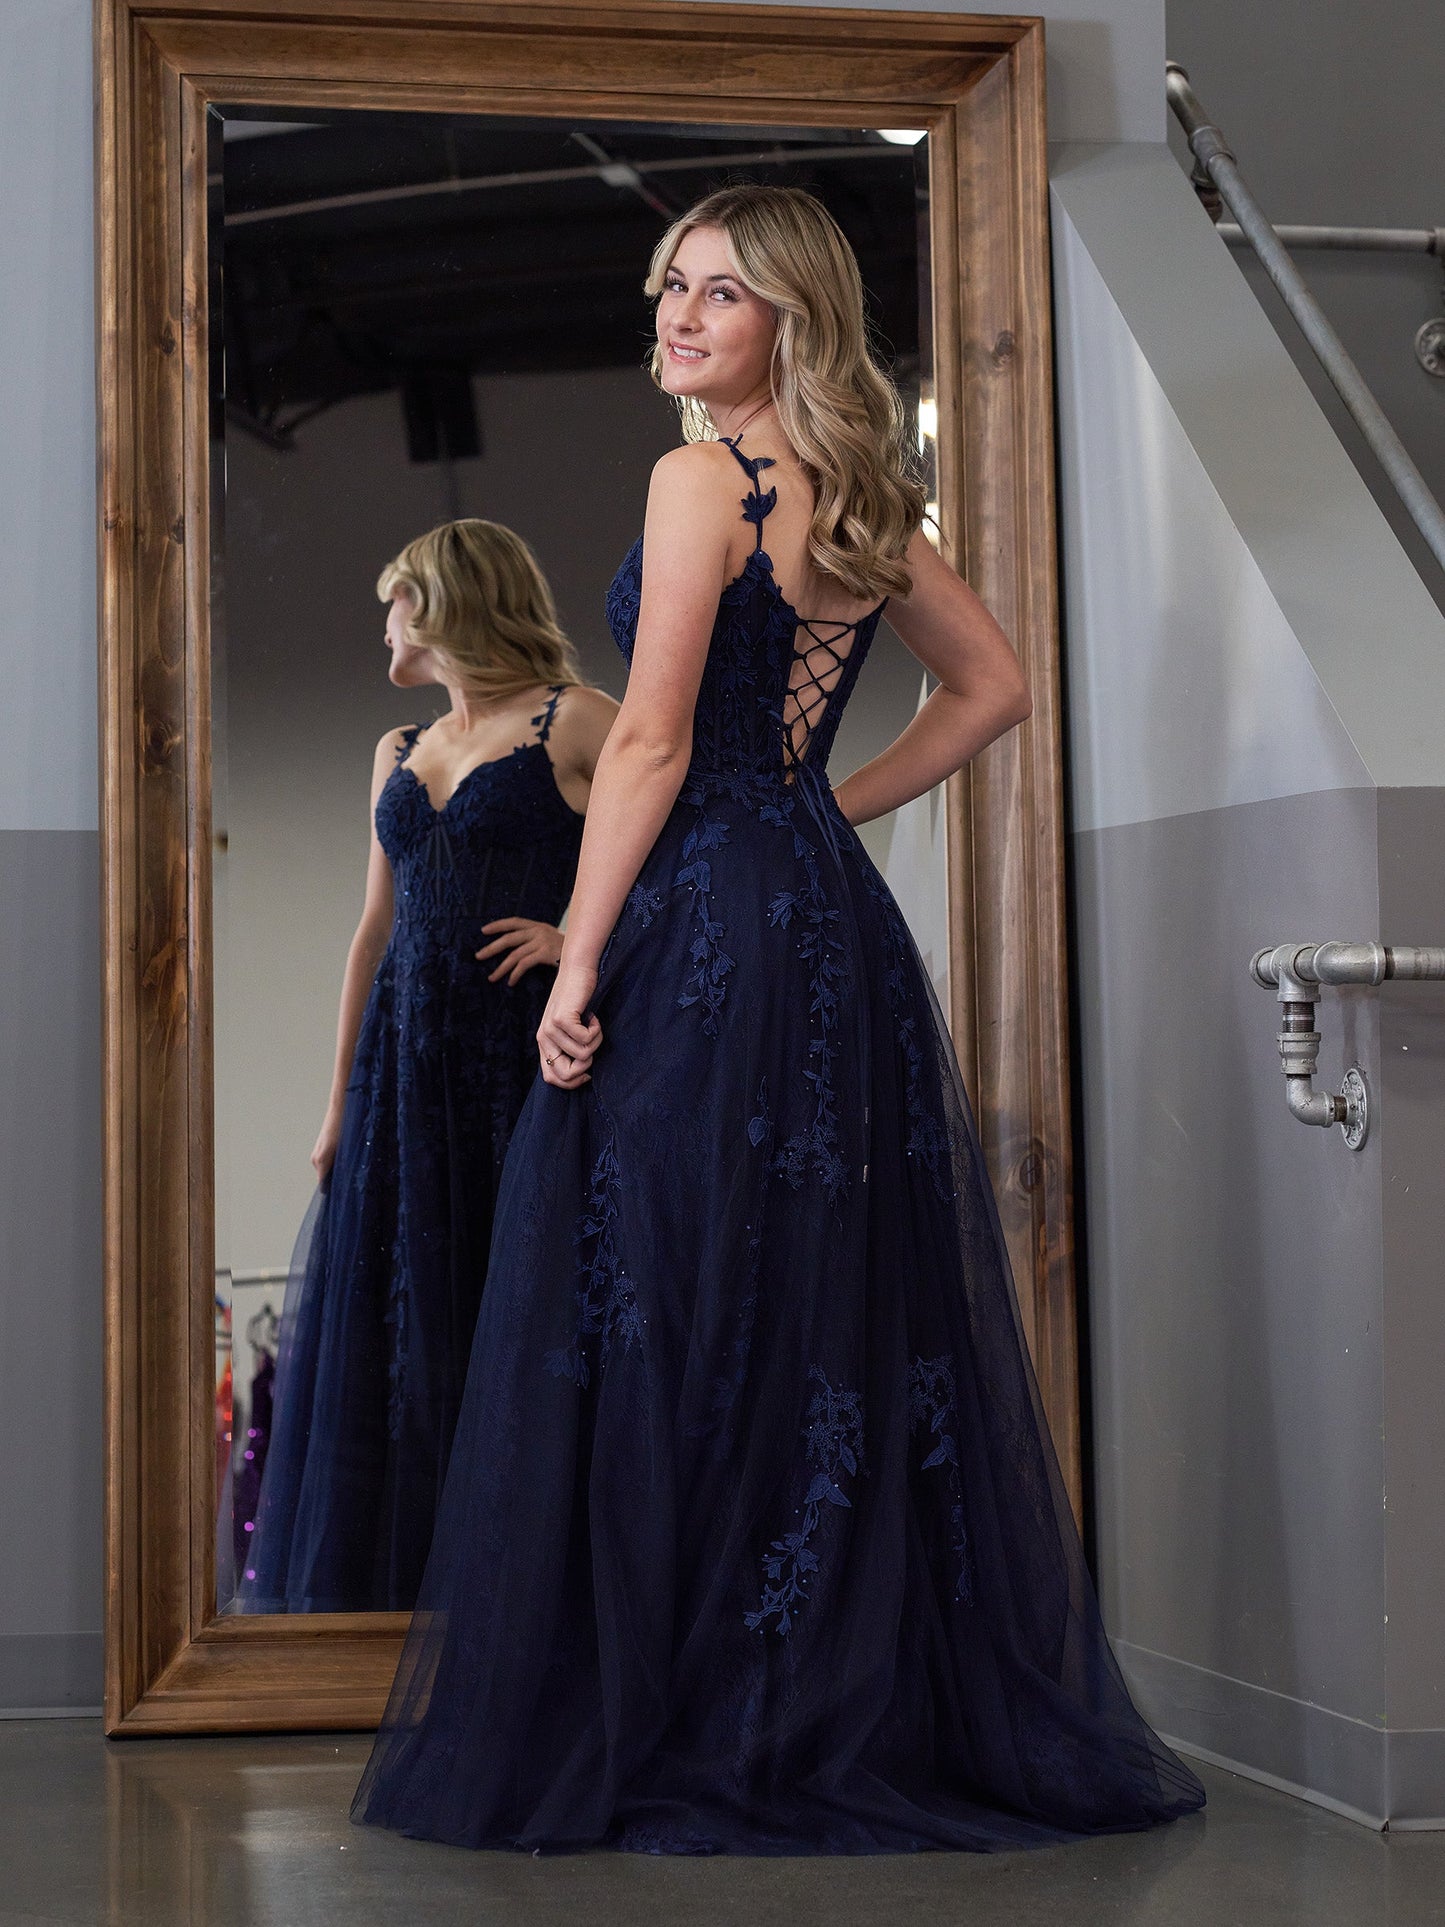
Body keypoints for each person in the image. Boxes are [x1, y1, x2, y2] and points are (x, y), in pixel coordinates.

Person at [353, 187, 1204, 1850]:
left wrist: (579, 959)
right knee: (808, 1300)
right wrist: (821, 809)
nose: (677, 315)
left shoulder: (703, 479)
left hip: (704, 923)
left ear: (791, 320)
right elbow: (995, 687)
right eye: (670, 284)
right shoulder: (860, 494)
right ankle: (807, 1696)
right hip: (819, 918)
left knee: (667, 1292)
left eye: (720, 293)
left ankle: (694, 1710)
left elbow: (653, 740)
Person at [238, 519, 617, 1613]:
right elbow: (373, 930)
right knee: (405, 1324)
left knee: (521, 1303)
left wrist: (572, 943)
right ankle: (410, 1605)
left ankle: (536, 1595)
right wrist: (336, 1103)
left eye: (393, 603)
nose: (383, 627)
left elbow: (683, 857)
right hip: (402, 1068)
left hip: (519, 1058)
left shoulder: (575, 719)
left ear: (446, 602)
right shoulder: (396, 748)